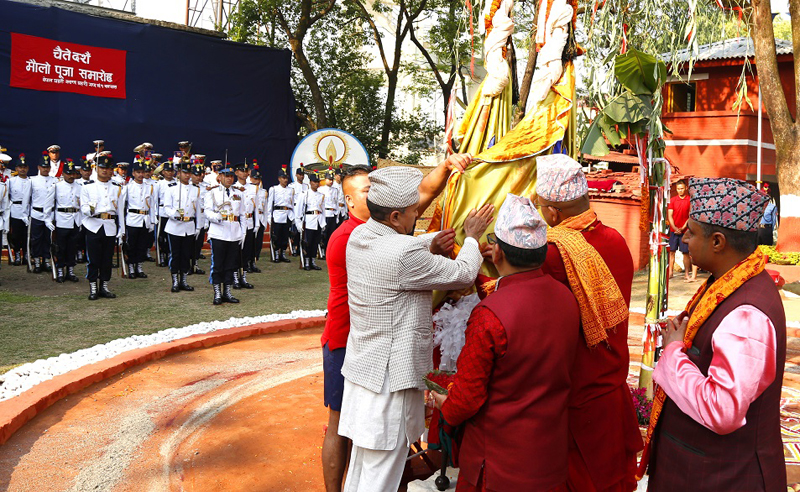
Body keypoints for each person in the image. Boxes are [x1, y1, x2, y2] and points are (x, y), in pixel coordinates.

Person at [320, 155, 475, 491]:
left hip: (365, 374)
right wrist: (472, 238)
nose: (417, 215)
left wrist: (427, 242)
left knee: (363, 468)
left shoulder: (358, 237)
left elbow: (398, 248)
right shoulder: (403, 253)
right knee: (382, 477)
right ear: (394, 216)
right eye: (412, 212)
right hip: (390, 382)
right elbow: (463, 274)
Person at [642, 177, 785, 491]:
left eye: (691, 233)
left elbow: (722, 410)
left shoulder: (747, 314)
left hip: (724, 476)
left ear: (718, 242)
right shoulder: (727, 282)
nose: (684, 239)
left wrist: (674, 352)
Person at [432, 193, 580, 492]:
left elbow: (466, 401)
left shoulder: (490, 314)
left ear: (496, 253)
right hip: (547, 456)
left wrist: (445, 404)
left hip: (498, 461)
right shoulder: (567, 298)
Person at [536, 154, 642, 492]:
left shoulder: (554, 254)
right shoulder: (615, 239)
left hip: (576, 396)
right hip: (610, 387)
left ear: (553, 212)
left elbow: (514, 300)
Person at [80, 154, 126, 300]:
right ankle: (93, 286)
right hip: (93, 224)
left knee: (107, 259)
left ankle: (104, 285)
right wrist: (91, 209)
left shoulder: (117, 188)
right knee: (93, 259)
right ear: (96, 168)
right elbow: (83, 208)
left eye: (108, 168)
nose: (105, 171)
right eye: (102, 168)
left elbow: (120, 211)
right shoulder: (88, 186)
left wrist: (122, 229)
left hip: (110, 226)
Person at [204, 164, 245, 305]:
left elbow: (242, 214)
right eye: (226, 176)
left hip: (233, 232)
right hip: (218, 232)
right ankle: (217, 292)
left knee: (230, 264)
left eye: (231, 176)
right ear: (219, 177)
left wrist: (242, 233)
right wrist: (217, 217)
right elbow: (207, 212)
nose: (229, 179)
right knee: (218, 264)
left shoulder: (238, 193)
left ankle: (227, 292)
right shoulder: (212, 192)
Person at [164, 160, 200, 293]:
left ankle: (183, 280)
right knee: (175, 254)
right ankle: (174, 280)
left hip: (189, 225)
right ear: (178, 173)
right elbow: (166, 207)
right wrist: (175, 214)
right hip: (175, 225)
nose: (186, 175)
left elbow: (198, 210)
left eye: (188, 172)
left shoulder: (195, 190)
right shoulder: (172, 189)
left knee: (186, 255)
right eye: (184, 172)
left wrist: (198, 227)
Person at [124, 160, 156, 279]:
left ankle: (139, 267)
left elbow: (152, 205)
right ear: (133, 173)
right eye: (138, 172)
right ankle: (131, 266)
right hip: (133, 219)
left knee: (142, 245)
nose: (140, 175)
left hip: (145, 219)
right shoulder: (128, 187)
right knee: (132, 245)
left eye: (142, 172)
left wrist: (152, 221)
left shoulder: (149, 187)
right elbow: (123, 206)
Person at [53, 159, 82, 283]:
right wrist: (50, 220)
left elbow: (82, 205)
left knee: (72, 247)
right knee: (61, 247)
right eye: (68, 173)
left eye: (72, 173)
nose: (71, 176)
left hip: (75, 219)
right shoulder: (57, 186)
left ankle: (70, 270)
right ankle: (60, 270)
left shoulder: (80, 187)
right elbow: (51, 204)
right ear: (63, 174)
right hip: (62, 219)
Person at [29, 152, 58, 274]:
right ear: (38, 167)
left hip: (50, 214)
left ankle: (46, 260)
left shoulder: (55, 180)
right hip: (36, 213)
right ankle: (36, 261)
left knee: (48, 238)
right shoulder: (32, 180)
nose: (45, 169)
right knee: (36, 238)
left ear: (50, 168)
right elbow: (28, 198)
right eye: (43, 167)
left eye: (47, 167)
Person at [294, 173, 325, 271]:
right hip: (309, 221)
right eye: (315, 182)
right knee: (308, 242)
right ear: (310, 182)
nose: (316, 184)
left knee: (315, 242)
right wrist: (298, 223)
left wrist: (323, 223)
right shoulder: (305, 194)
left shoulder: (321, 195)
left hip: (318, 220)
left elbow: (322, 210)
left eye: (318, 182)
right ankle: (306, 261)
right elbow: (298, 210)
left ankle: (313, 261)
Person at [668, 179, 697, 282]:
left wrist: (683, 227)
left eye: (681, 188)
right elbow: (670, 216)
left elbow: (690, 215)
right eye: (678, 189)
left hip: (685, 231)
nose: (680, 191)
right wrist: (675, 228)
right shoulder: (672, 200)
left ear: (686, 188)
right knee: (672, 252)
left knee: (685, 253)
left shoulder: (689, 200)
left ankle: (686, 273)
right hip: (673, 230)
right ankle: (670, 272)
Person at [233, 162, 255, 288]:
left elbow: (255, 208)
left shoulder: (253, 188)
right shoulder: (233, 188)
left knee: (247, 252)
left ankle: (244, 277)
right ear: (236, 173)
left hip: (249, 222)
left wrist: (257, 224)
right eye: (241, 171)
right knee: (236, 252)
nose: (244, 173)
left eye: (246, 171)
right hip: (237, 224)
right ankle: (235, 277)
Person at [267, 168, 295, 263]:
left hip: (287, 215)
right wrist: (269, 217)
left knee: (285, 236)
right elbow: (270, 204)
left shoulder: (291, 190)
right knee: (277, 236)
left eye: (286, 178)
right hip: (277, 215)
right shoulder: (274, 189)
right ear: (279, 179)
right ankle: (275, 253)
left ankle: (282, 253)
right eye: (283, 178)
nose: (285, 180)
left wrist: (293, 216)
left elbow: (292, 204)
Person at [8, 156, 31, 267]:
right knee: (16, 235)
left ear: (28, 168)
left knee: (27, 234)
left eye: (24, 167)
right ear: (16, 168)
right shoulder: (11, 181)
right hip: (15, 210)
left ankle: (26, 254)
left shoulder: (31, 181)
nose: (22, 169)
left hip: (27, 210)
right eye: (20, 167)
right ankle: (17, 254)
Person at [156, 159, 177, 266]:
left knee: (171, 234)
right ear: (163, 172)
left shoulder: (176, 183)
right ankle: (161, 256)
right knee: (161, 236)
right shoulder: (159, 184)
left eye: (171, 171)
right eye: (167, 171)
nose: (169, 173)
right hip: (162, 212)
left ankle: (169, 254)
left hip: (173, 212)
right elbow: (155, 199)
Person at [190, 162, 210, 275]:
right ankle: (187, 265)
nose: (198, 177)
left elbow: (207, 206)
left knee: (198, 243)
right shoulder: (186, 187)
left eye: (199, 174)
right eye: (195, 174)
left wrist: (206, 221)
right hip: (189, 217)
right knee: (188, 243)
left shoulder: (206, 187)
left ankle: (195, 264)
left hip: (201, 218)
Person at [248, 166, 267, 271]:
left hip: (260, 217)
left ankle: (254, 262)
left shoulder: (263, 191)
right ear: (250, 178)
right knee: (250, 242)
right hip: (251, 217)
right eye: (254, 178)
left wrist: (265, 221)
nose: (256, 181)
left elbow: (266, 208)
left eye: (258, 179)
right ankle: (247, 262)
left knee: (258, 243)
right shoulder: (247, 190)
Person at [318, 172, 340, 255]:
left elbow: (336, 203)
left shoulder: (335, 190)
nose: (331, 181)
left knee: (331, 234)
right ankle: (322, 250)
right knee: (324, 234)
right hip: (325, 213)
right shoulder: (321, 189)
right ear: (325, 179)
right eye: (329, 179)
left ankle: (328, 250)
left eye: (332, 180)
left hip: (333, 213)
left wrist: (337, 215)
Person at [289, 167, 309, 256]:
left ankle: (301, 247)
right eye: (300, 175)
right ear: (296, 175)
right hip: (294, 209)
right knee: (295, 231)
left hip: (303, 210)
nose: (301, 176)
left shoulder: (306, 186)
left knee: (303, 229)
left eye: (302, 175)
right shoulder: (292, 186)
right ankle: (294, 246)